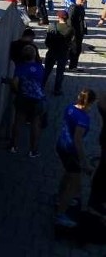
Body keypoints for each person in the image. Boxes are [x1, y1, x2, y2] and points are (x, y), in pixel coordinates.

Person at [55, 89, 98, 228]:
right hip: (71, 151)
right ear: (90, 102)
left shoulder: (69, 108)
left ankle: (58, 198)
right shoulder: (83, 119)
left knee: (67, 175)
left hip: (61, 146)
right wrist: (84, 162)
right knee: (74, 185)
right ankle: (61, 214)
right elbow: (77, 140)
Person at [9, 44, 46, 157]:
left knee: (18, 121)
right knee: (35, 123)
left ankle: (14, 146)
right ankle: (33, 150)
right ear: (34, 55)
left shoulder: (20, 67)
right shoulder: (40, 67)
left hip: (23, 97)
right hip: (37, 98)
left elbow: (15, 82)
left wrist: (16, 90)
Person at [43, 10, 75, 97]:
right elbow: (71, 42)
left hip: (52, 51)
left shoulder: (52, 26)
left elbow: (47, 41)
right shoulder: (71, 29)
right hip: (63, 52)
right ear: (67, 18)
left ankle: (41, 85)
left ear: (58, 17)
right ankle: (57, 90)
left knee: (47, 70)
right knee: (60, 72)